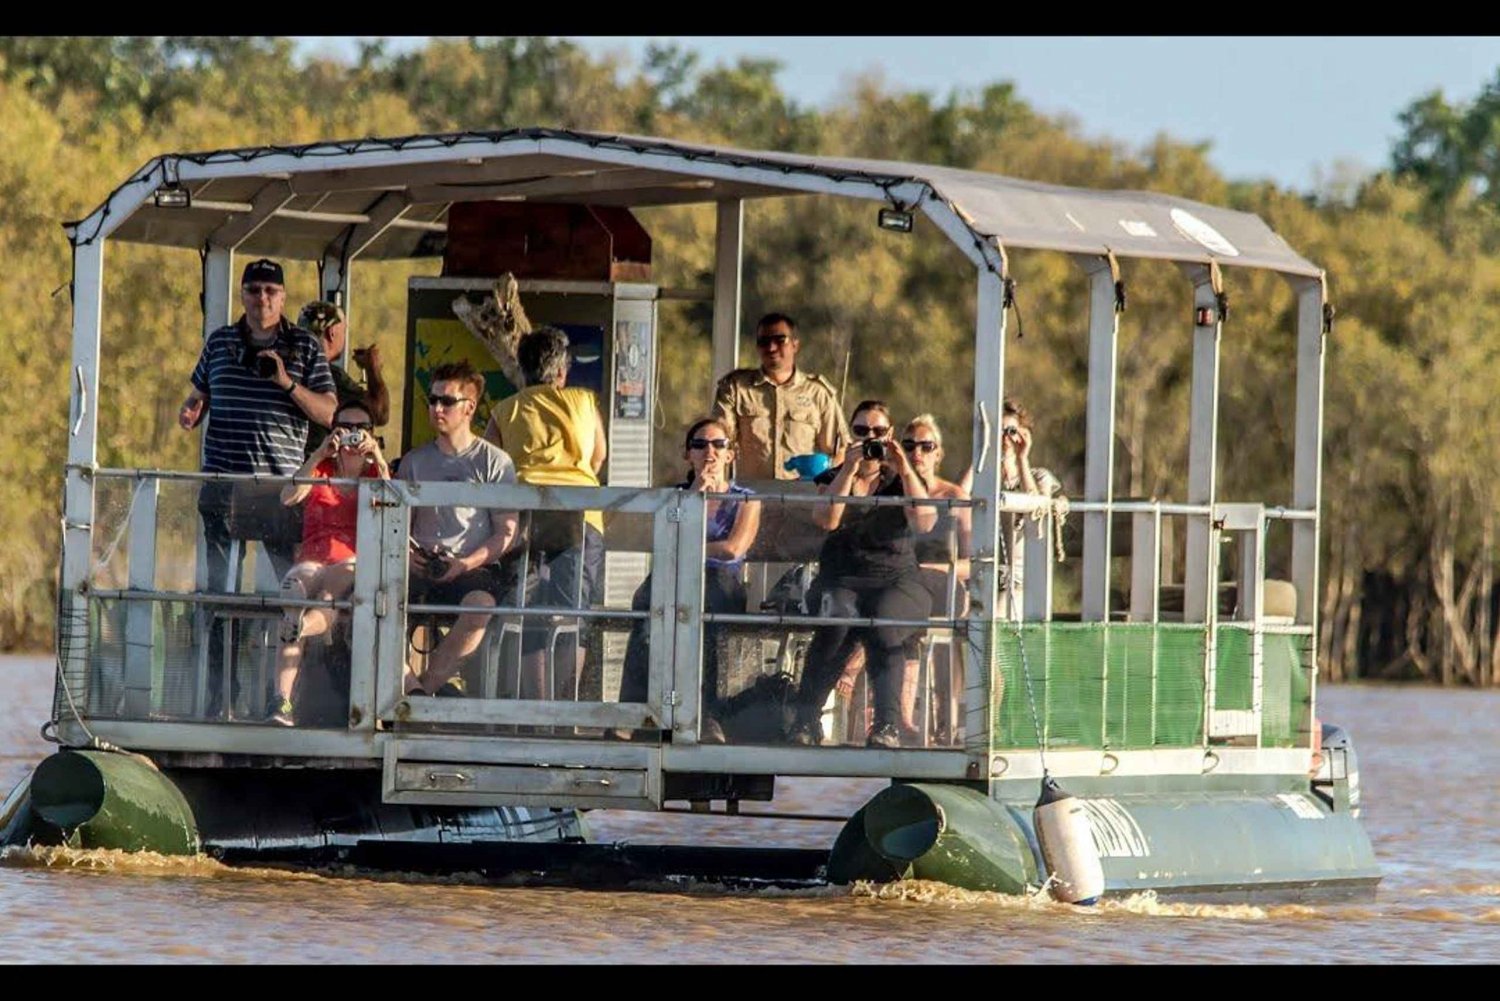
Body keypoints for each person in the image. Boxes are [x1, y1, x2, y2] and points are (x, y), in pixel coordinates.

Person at [177, 258, 337, 717]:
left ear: (283, 297)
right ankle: (218, 701)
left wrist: (286, 381)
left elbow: (328, 413)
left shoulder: (303, 345)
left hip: (280, 494)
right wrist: (191, 410)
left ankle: (296, 700)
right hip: (223, 488)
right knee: (217, 596)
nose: (261, 299)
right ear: (243, 295)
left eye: (270, 291)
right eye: (253, 291)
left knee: (292, 596)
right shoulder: (221, 341)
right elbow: (199, 393)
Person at [786, 400, 936, 749]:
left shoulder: (903, 480)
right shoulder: (832, 477)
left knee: (884, 623)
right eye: (861, 431)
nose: (870, 438)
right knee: (836, 620)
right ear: (849, 435)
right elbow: (827, 520)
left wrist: (903, 466)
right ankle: (806, 720)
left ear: (891, 435)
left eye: (878, 432)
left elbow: (925, 522)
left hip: (896, 579)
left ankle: (887, 725)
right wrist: (848, 471)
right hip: (842, 578)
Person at [616, 418, 761, 742]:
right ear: (688, 455)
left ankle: (706, 713)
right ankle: (634, 708)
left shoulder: (747, 500)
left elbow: (732, 549)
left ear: (729, 454)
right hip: (675, 573)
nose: (709, 451)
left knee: (705, 611)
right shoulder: (676, 496)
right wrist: (695, 495)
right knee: (646, 603)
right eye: (700, 444)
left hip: (720, 579)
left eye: (718, 444)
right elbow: (662, 541)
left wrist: (687, 545)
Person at [483, 326, 606, 702]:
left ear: (522, 370)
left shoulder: (505, 409)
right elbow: (598, 457)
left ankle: (534, 704)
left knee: (526, 609)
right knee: (575, 613)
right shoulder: (584, 401)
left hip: (524, 514)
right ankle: (564, 706)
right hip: (580, 513)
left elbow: (490, 461)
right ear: (562, 373)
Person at [834, 413, 972, 745]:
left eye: (927, 446)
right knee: (890, 605)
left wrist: (936, 571)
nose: (917, 453)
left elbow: (973, 563)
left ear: (939, 453)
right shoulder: (894, 491)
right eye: (909, 446)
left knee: (899, 595)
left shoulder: (953, 497)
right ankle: (900, 721)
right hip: (899, 589)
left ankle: (852, 667)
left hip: (944, 584)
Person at [400, 360, 521, 697]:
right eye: (433, 400)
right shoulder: (413, 461)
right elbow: (397, 528)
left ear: (469, 407)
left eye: (447, 401)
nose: (437, 408)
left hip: (471, 567)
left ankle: (424, 691)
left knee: (480, 604)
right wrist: (411, 559)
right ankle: (411, 690)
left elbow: (505, 532)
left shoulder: (494, 462)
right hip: (420, 565)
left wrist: (465, 564)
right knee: (376, 601)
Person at [268, 400, 390, 726]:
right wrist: (320, 453)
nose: (353, 436)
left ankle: (299, 628)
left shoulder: (374, 474)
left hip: (351, 561)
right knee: (298, 586)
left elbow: (395, 505)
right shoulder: (320, 470)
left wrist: (376, 457)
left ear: (372, 434)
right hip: (312, 558)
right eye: (345, 428)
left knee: (325, 597)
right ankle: (282, 701)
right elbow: (287, 497)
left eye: (361, 429)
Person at [711, 312, 848, 481]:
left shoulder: (817, 393)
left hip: (802, 499)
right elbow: (717, 441)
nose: (771, 348)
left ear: (795, 345)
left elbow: (838, 451)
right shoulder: (737, 388)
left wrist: (824, 483)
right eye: (764, 342)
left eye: (780, 340)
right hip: (749, 499)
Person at [297, 299, 390, 454]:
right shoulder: (329, 375)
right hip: (318, 466)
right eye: (344, 330)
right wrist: (373, 368)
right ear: (332, 333)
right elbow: (380, 413)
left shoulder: (289, 370)